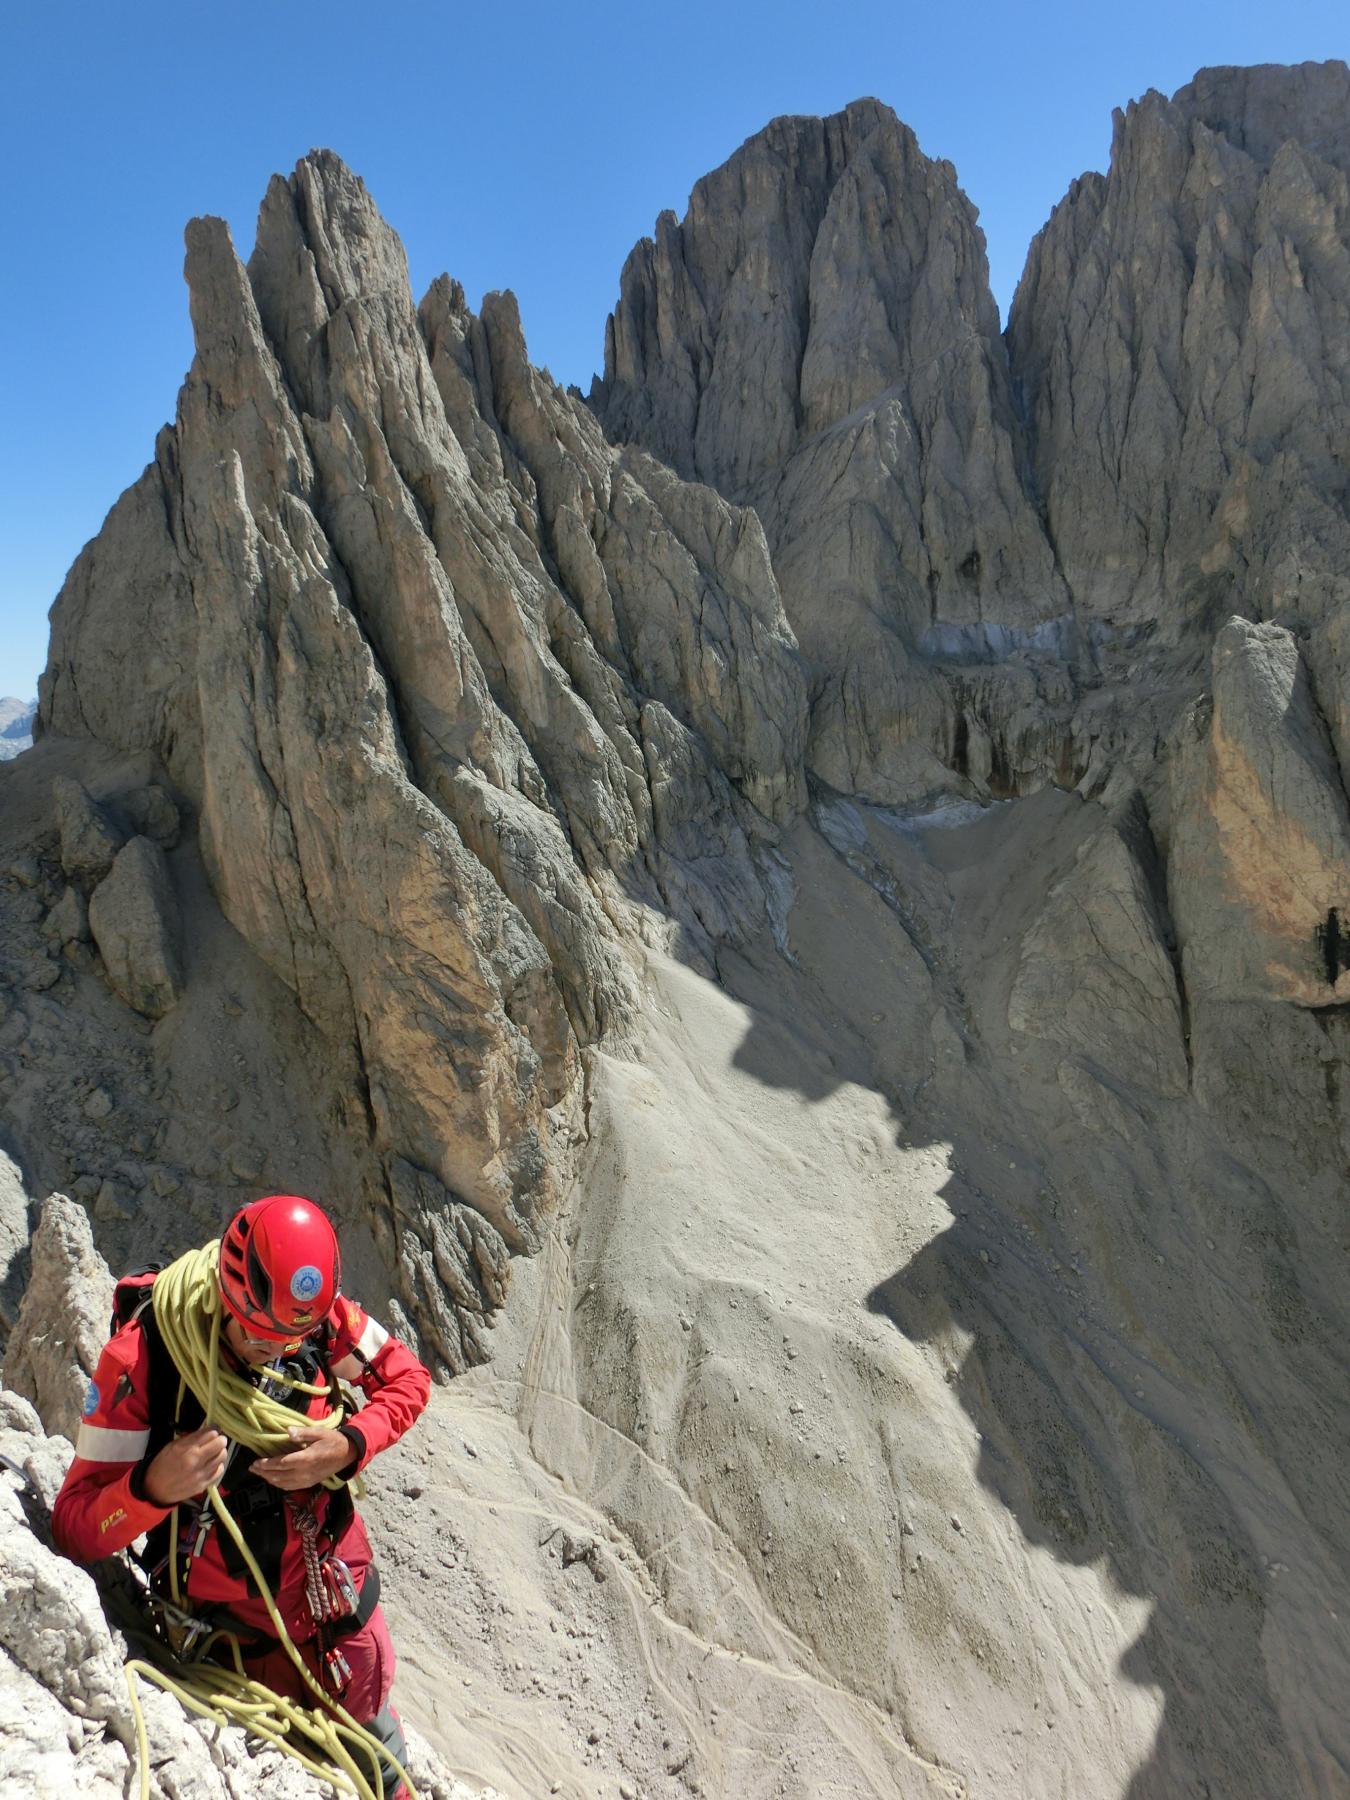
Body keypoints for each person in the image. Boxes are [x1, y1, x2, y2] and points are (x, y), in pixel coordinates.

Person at [52, 1193, 431, 1799]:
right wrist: (152, 1488)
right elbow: (73, 1525)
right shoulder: (144, 1357)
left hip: (340, 1608)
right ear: (231, 1293)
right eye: (258, 1337)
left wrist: (349, 1443)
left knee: (380, 1754)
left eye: (290, 1338)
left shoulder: (316, 1317)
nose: (277, 1351)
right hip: (239, 1648)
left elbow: (405, 1377)